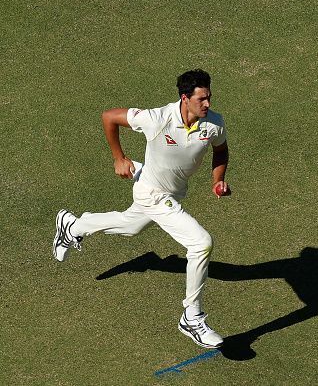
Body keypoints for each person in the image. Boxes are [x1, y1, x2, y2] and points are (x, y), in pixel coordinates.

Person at [52, 69, 230, 349]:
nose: (208, 104)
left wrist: (217, 180)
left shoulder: (214, 123)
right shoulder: (157, 118)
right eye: (202, 99)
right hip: (152, 193)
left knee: (130, 226)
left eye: (209, 98)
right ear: (185, 98)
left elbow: (221, 150)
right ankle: (191, 317)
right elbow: (109, 117)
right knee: (201, 243)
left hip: (171, 192)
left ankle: (73, 226)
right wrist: (119, 158)